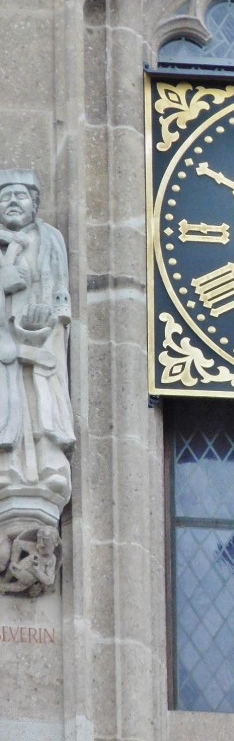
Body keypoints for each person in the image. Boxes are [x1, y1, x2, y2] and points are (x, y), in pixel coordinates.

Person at [0, 170, 74, 517]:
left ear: (35, 203)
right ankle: (9, 470)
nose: (13, 202)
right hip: (4, 343)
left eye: (21, 196)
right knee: (9, 402)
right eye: (5, 197)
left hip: (42, 336)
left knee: (43, 400)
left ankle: (48, 466)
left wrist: (48, 320)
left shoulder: (49, 238)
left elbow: (59, 289)